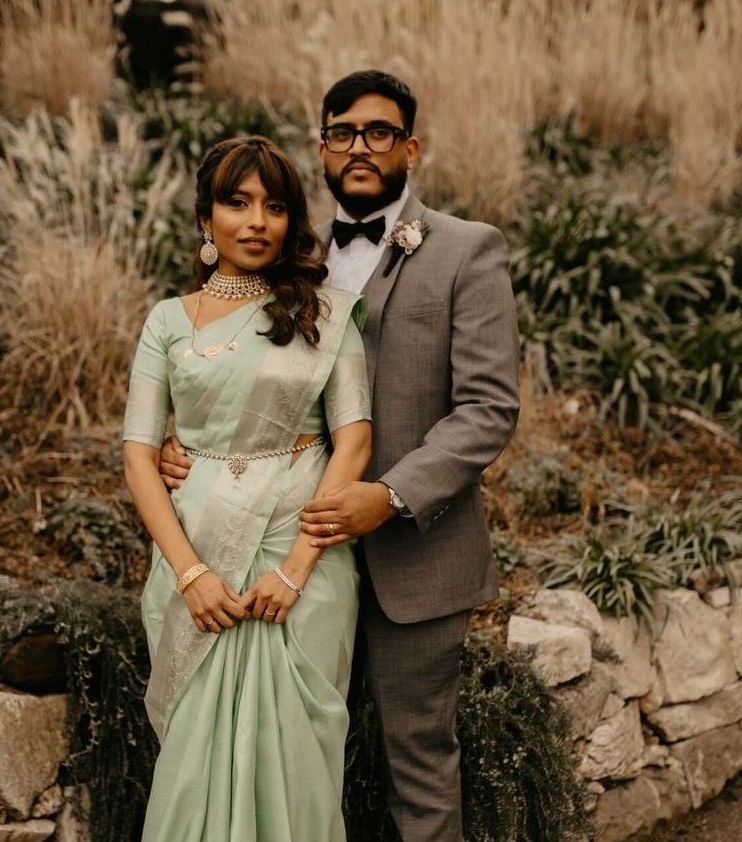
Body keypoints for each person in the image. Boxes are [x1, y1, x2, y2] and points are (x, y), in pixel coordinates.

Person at [160, 71, 520, 842]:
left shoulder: (467, 249)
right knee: (293, 757)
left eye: (379, 131)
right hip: (291, 554)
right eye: (343, 132)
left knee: (417, 764)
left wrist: (388, 495)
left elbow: (489, 409)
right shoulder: (290, 250)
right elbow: (230, 367)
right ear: (322, 149)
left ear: (409, 148)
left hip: (411, 557)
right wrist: (183, 440)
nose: (360, 146)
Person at [123, 136, 372, 842]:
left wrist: (294, 570)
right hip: (196, 549)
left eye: (274, 206)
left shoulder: (326, 316)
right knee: (193, 764)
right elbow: (139, 454)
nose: (257, 221)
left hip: (303, 560)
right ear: (207, 219)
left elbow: (354, 442)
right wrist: (192, 574)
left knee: (296, 760)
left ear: (292, 221)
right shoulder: (168, 321)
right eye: (237, 203)